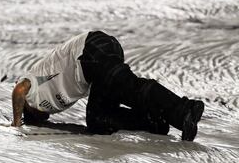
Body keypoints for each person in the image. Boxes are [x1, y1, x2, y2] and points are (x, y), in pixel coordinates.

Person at [11, 31, 204, 141]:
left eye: (38, 116)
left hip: (90, 51)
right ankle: (152, 122)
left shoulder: (31, 91)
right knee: (98, 120)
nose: (45, 116)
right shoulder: (45, 104)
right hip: (93, 68)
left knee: (130, 89)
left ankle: (184, 109)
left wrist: (16, 122)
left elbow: (18, 90)